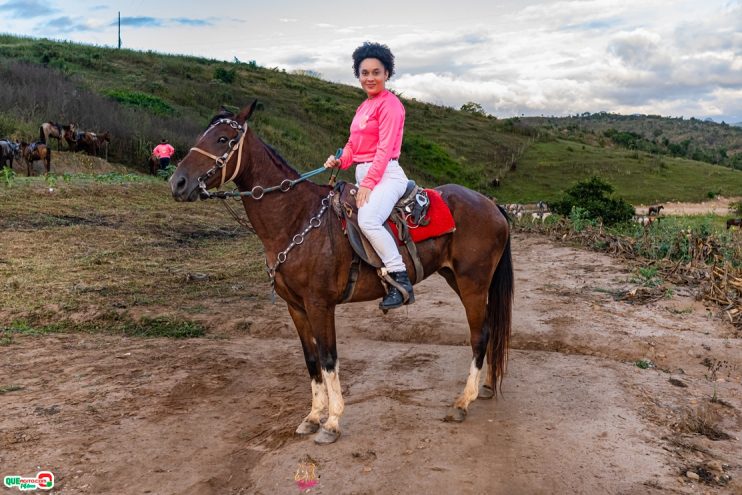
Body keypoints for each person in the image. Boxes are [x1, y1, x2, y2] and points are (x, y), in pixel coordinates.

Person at [324, 41, 413, 311]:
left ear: (387, 74)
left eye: (376, 72)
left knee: (369, 219)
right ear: (358, 75)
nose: (370, 78)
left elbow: (384, 150)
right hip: (365, 171)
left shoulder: (391, 106)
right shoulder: (363, 107)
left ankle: (400, 279)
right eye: (365, 73)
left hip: (386, 173)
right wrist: (340, 159)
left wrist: (369, 184)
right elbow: (354, 146)